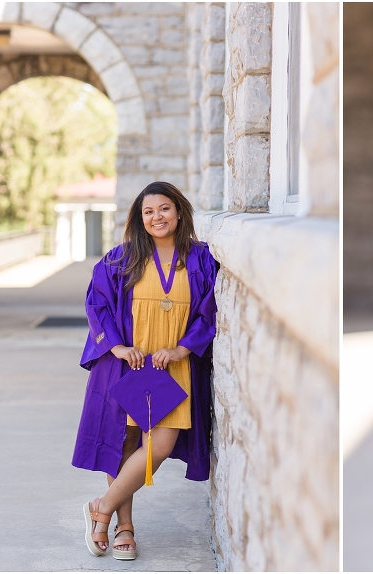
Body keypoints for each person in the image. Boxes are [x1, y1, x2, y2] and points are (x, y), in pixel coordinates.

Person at [72, 181, 217, 560]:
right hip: (129, 365)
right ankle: (124, 527)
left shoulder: (201, 260)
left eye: (164, 208)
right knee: (125, 443)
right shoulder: (121, 260)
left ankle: (100, 508)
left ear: (179, 211)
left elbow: (209, 312)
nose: (157, 217)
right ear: (140, 218)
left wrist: (182, 348)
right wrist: (117, 347)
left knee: (160, 445)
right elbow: (97, 305)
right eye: (148, 211)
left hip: (172, 367)